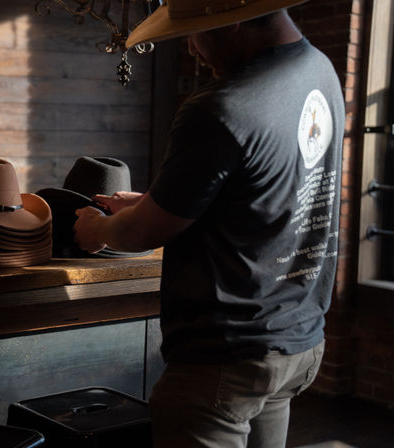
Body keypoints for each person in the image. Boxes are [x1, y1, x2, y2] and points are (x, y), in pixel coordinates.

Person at [72, 1, 345, 447]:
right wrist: (151, 202)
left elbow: (143, 234)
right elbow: (274, 191)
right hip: (297, 342)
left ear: (230, 21)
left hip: (226, 360)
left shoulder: (221, 107)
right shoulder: (320, 70)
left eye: (195, 32)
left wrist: (98, 230)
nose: (195, 49)